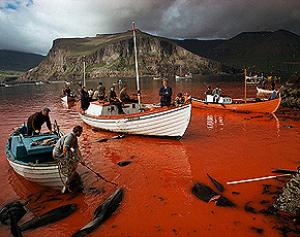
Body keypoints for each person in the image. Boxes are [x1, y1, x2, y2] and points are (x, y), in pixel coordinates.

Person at [53, 126, 84, 193]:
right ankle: (68, 183)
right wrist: (64, 158)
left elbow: (76, 149)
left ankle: (70, 175)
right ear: (78, 132)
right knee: (71, 166)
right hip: (58, 153)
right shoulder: (70, 137)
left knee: (75, 159)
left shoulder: (74, 138)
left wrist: (81, 159)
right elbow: (65, 148)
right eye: (81, 132)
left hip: (64, 152)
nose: (81, 133)